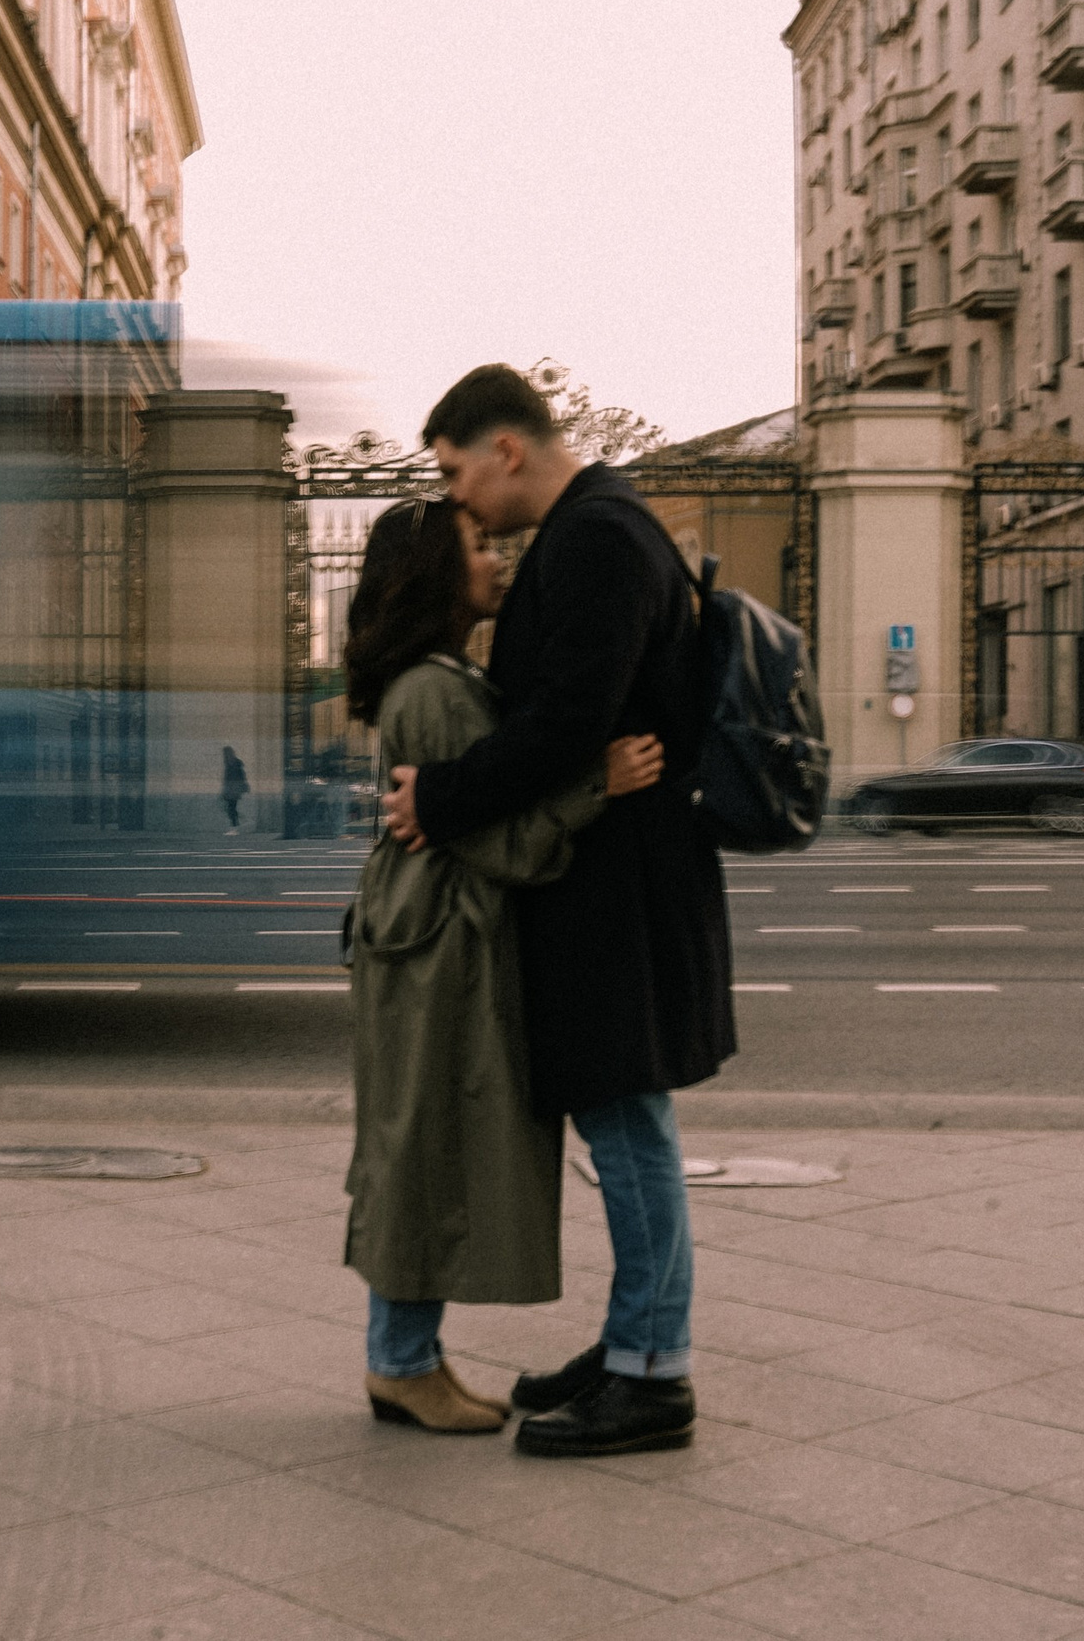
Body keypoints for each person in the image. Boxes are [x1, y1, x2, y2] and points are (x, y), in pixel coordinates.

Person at [382, 364, 734, 1458]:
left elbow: (564, 723)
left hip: (619, 894)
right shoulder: (599, 528)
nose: (457, 500)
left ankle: (653, 1373)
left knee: (629, 1130)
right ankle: (635, 1339)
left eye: (456, 473)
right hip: (617, 883)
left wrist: (439, 797)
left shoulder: (595, 539)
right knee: (623, 1125)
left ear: (507, 449)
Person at [342, 492, 665, 1433]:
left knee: (419, 1141)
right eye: (478, 545)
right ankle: (401, 1362)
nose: (497, 558)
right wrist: (596, 784)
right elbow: (501, 842)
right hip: (438, 944)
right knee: (422, 1147)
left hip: (429, 939)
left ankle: (406, 1357)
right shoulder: (436, 691)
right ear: (437, 574)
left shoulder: (436, 677)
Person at [220, 746, 249, 830]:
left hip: (234, 788)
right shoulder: (231, 763)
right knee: (231, 807)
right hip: (231, 788)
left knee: (231, 807)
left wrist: (243, 785)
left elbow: (241, 775)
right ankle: (236, 823)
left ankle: (235, 824)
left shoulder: (234, 763)